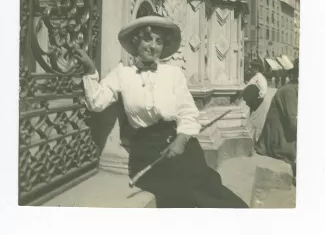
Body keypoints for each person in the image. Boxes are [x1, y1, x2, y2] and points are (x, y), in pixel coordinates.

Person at [74, 13, 248, 208]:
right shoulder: (122, 73)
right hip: (146, 150)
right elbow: (96, 102)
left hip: (180, 142)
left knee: (206, 186)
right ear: (136, 41)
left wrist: (180, 141)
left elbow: (188, 113)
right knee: (178, 193)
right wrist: (90, 70)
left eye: (158, 41)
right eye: (148, 39)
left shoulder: (173, 74)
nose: (153, 46)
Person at [255, 58, 299, 185]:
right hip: (278, 142)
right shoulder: (289, 91)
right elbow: (294, 122)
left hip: (284, 137)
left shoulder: (294, 90)